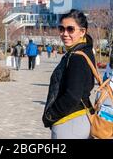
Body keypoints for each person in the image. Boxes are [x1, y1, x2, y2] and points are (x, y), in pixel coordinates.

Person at [42, 9, 96, 139]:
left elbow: (72, 95)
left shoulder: (77, 57)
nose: (65, 33)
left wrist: (51, 115)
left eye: (70, 29)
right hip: (80, 119)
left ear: (82, 31)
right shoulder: (85, 51)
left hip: (70, 122)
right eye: (61, 29)